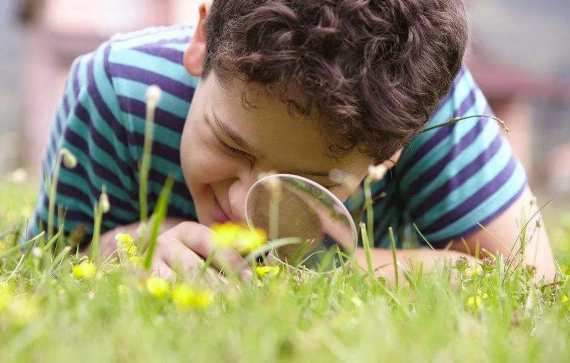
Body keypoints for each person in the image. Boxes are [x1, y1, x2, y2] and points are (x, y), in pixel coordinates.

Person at [29, 0, 556, 280]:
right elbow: (45, 258)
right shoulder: (119, 89)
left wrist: (310, 269)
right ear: (202, 41)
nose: (245, 206)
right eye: (231, 146)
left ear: (392, 151)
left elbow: (528, 278)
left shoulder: (428, 108)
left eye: (309, 182)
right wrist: (130, 247)